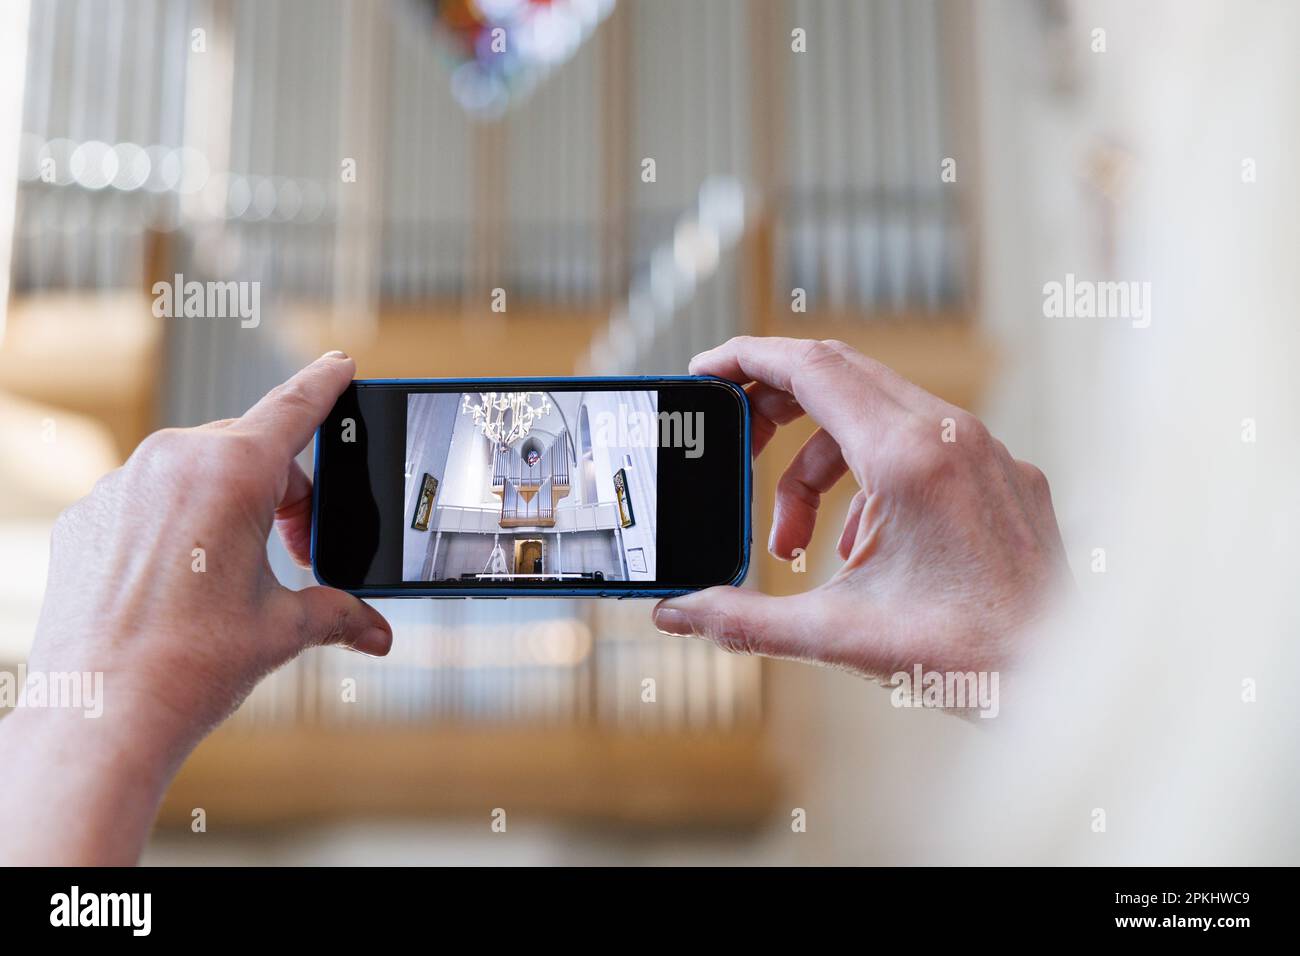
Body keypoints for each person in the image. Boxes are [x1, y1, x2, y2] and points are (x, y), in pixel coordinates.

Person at [0, 337, 1068, 864]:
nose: (521, 481)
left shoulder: (575, 505)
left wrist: (92, 721)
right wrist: (1046, 658)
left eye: (535, 460)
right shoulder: (468, 507)